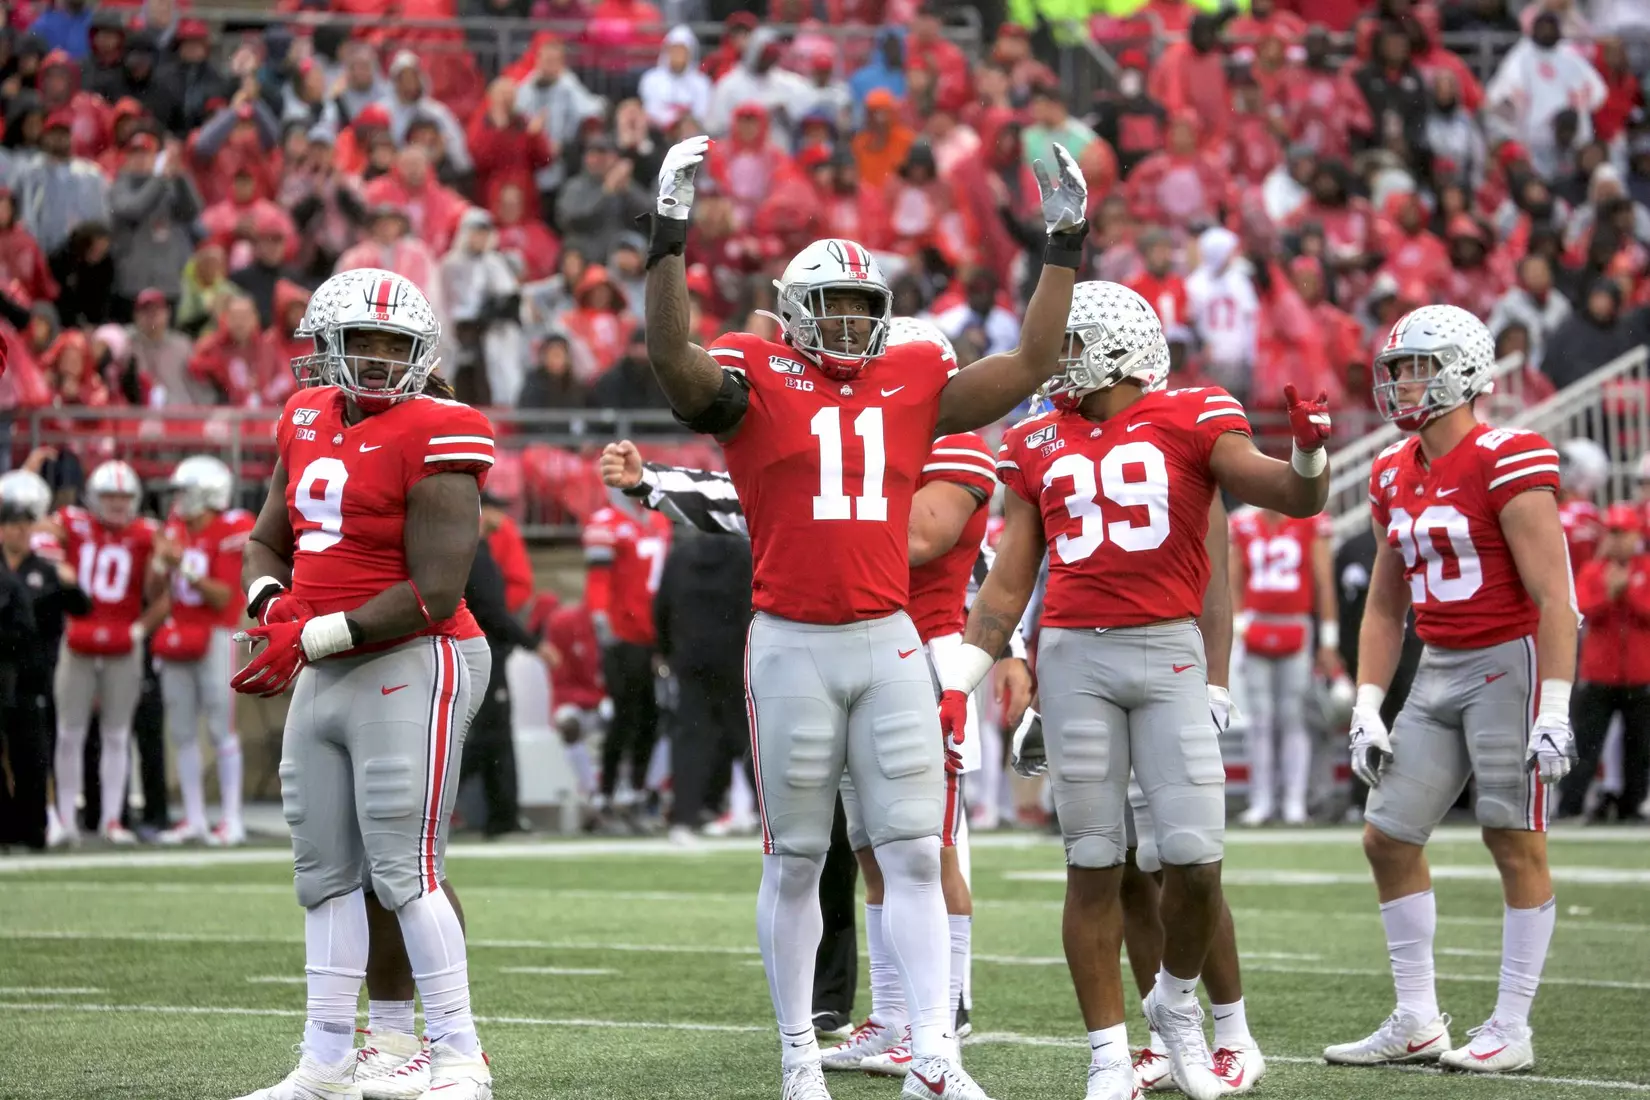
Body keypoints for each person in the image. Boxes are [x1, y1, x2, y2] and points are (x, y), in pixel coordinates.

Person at [640, 131, 1090, 1100]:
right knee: (799, 856)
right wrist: (668, 244)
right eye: (830, 307)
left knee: (916, 851)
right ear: (796, 311)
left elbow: (1034, 359)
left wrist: (1064, 244)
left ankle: (935, 1048)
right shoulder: (753, 370)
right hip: (793, 639)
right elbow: (673, 358)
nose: (847, 323)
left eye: (861, 307)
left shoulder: (914, 375)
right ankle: (800, 1048)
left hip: (888, 640)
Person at [597, 321, 1034, 1072]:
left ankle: (946, 1013)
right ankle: (894, 1017)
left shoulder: (952, 444)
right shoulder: (856, 432)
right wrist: (658, 486)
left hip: (919, 652)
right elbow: (759, 499)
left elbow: (961, 553)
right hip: (840, 642)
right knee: (866, 847)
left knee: (928, 848)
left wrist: (1010, 650)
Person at [936, 281, 1332, 1100]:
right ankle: (1110, 1057)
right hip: (1075, 654)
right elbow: (1010, 583)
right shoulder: (1036, 436)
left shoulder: (1192, 417)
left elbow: (1292, 496)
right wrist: (959, 681)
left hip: (1169, 649)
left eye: (1072, 345)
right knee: (1093, 864)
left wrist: (1308, 455)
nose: (1057, 362)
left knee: (1193, 860)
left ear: (1119, 348)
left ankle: (1178, 1002)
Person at [230, 267, 497, 1100]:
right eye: (364, 342)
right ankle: (326, 1062)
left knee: (404, 866)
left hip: (418, 655)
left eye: (394, 345)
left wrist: (313, 632)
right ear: (328, 347)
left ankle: (459, 1057)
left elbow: (436, 592)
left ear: (421, 355)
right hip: (328, 659)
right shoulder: (305, 415)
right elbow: (266, 542)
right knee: (324, 871)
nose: (378, 360)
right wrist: (271, 606)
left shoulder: (441, 428)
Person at [1326, 304, 1577, 1074]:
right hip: (1437, 664)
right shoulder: (1390, 470)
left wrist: (1556, 705)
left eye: (1418, 368)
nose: (1402, 383)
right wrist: (1369, 701)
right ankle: (1417, 1019)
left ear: (1464, 370)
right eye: (1397, 368)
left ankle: (1512, 1024)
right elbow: (1385, 602)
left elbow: (1555, 597)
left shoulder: (1508, 455)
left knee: (1512, 836)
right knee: (1388, 836)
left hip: (1509, 660)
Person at [49, 460, 167, 847]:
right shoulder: (73, 522)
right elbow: (40, 536)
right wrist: (58, 563)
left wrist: (140, 629)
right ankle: (66, 818)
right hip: (78, 641)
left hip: (121, 643)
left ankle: (113, 819)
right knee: (69, 733)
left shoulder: (146, 533)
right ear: (93, 498)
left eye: (124, 497)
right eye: (110, 497)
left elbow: (162, 590)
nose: (117, 504)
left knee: (117, 736)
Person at [149, 456, 253, 846]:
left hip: (216, 634)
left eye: (185, 491)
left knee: (221, 729)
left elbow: (224, 595)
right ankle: (193, 819)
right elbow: (155, 591)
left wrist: (183, 566)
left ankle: (232, 819)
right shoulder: (177, 529)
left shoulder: (233, 527)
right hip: (179, 633)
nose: (179, 500)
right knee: (182, 731)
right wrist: (159, 562)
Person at [1229, 506, 1342, 826]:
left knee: (1294, 716)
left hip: (1296, 623)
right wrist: (1239, 627)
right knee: (1260, 720)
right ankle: (1261, 801)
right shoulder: (1242, 524)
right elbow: (1233, 580)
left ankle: (1294, 801)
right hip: (1255, 624)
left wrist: (1328, 641)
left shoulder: (1311, 522)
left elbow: (1324, 584)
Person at [580, 493, 671, 831]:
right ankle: (605, 794)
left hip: (654, 635)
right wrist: (601, 619)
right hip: (623, 633)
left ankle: (634, 789)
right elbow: (598, 579)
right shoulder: (606, 523)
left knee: (651, 716)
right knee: (624, 716)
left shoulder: (659, 520)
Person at [1558, 504, 1650, 823]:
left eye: (1623, 532)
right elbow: (1583, 610)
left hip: (1639, 673)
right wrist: (1610, 594)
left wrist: (1629, 594)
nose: (1618, 540)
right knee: (1586, 742)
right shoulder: (1593, 572)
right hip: (1599, 673)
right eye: (1613, 532)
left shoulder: (1647, 569)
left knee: (1639, 747)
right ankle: (1570, 805)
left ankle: (1631, 806)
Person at [0, 470, 59, 851]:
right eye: (13, 525)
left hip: (30, 672)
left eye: (25, 525)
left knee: (32, 753)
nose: (20, 532)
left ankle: (33, 829)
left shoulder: (44, 569)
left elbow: (58, 617)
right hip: (3, 671)